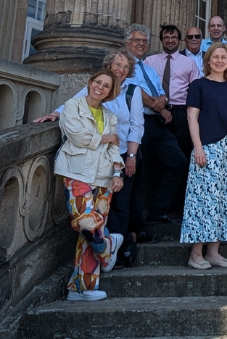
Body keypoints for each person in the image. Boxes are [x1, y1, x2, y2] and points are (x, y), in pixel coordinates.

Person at [34, 50, 145, 267]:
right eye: (118, 65)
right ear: (108, 66)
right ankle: (108, 246)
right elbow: (73, 105)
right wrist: (55, 114)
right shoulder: (95, 88)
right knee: (88, 215)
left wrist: (130, 156)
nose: (121, 70)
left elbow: (136, 125)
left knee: (120, 204)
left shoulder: (132, 92)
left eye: (125, 67)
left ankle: (120, 251)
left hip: (120, 155)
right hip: (90, 158)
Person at [55, 70, 125, 301]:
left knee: (88, 237)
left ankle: (81, 288)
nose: (100, 87)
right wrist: (108, 138)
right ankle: (109, 244)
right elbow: (78, 137)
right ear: (90, 83)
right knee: (86, 223)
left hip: (104, 177)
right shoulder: (72, 106)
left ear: (110, 92)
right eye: (98, 82)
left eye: (106, 86)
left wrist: (118, 173)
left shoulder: (109, 115)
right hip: (76, 172)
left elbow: (114, 148)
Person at [182, 43, 227, 270]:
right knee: (203, 199)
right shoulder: (198, 85)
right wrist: (198, 147)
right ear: (208, 60)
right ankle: (196, 254)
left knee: (225, 199)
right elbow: (192, 118)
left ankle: (214, 252)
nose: (219, 61)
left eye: (223, 57)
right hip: (207, 147)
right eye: (215, 57)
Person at [119, 24, 184, 233]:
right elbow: (135, 90)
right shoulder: (123, 65)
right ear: (127, 43)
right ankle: (137, 225)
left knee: (178, 162)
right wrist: (158, 106)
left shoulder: (148, 68)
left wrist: (162, 102)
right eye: (137, 40)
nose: (141, 44)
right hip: (136, 123)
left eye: (144, 41)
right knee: (137, 173)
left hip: (156, 124)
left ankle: (158, 209)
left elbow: (161, 92)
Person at [145, 24, 202, 223]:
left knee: (181, 158)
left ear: (180, 40)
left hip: (179, 114)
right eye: (166, 37)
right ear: (161, 40)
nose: (170, 40)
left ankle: (175, 207)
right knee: (154, 159)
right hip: (154, 113)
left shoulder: (189, 63)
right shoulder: (150, 62)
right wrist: (158, 107)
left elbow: (195, 91)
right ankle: (153, 205)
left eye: (174, 37)